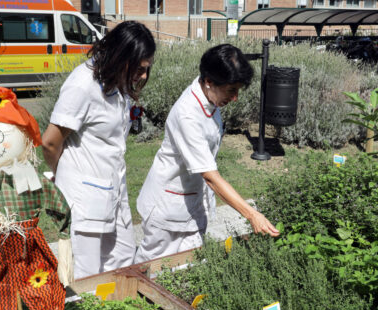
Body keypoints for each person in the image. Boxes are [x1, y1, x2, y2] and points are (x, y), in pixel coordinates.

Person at [135, 43, 279, 262]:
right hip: (167, 209)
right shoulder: (188, 114)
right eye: (232, 90)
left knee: (188, 269)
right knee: (153, 271)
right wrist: (252, 215)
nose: (235, 98)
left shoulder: (209, 99)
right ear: (209, 81)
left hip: (192, 204)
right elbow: (210, 176)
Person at [42, 21, 155, 279]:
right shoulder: (83, 85)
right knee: (87, 274)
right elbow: (49, 142)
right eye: (139, 68)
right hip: (84, 196)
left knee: (123, 262)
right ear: (120, 57)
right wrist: (64, 177)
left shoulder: (116, 84)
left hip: (113, 189)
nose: (144, 76)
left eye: (147, 69)